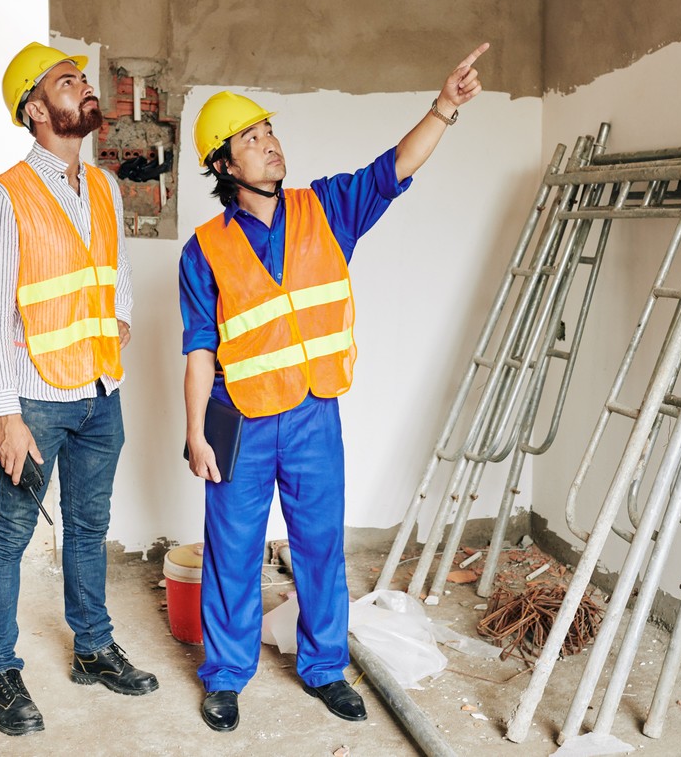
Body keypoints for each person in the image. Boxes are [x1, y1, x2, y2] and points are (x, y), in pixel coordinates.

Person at [179, 43, 489, 732]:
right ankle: (226, 675)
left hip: (315, 412)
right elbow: (200, 348)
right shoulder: (203, 249)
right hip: (241, 416)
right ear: (225, 165)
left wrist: (443, 108)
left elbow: (391, 172)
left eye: (270, 132)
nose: (269, 145)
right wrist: (197, 431)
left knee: (320, 543)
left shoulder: (324, 209)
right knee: (232, 549)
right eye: (252, 139)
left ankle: (323, 666)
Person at [0, 42, 159, 737]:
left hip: (100, 390)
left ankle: (93, 648)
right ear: (35, 109)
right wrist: (6, 415)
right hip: (37, 399)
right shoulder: (4, 196)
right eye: (67, 80)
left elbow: (118, 267)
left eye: (81, 77)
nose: (84, 86)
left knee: (88, 527)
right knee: (11, 533)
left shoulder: (104, 185)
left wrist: (125, 319)